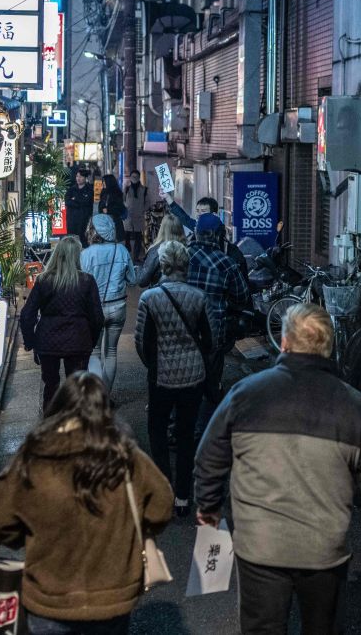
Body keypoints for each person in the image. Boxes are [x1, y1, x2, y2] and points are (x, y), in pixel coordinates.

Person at [193, 304, 361, 635]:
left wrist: (208, 507)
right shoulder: (354, 406)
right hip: (323, 549)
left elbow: (209, 457)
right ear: (328, 348)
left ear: (284, 343)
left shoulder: (246, 394)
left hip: (259, 544)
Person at [0, 372, 174, 635]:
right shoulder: (127, 456)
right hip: (112, 598)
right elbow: (161, 507)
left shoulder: (33, 456)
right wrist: (131, 530)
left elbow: (1, 521)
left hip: (48, 598)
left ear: (58, 408)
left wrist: (26, 539)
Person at [134, 240, 212, 518]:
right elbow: (208, 339)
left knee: (157, 430)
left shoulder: (150, 298)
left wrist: (153, 365)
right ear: (185, 265)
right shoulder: (198, 297)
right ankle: (183, 496)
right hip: (193, 376)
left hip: (162, 376)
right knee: (186, 434)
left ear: (163, 266)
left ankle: (164, 488)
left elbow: (142, 342)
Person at [18, 237, 105, 408]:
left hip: (48, 341)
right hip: (78, 340)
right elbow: (97, 318)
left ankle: (51, 424)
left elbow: (27, 314)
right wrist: (91, 340)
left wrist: (31, 342)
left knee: (51, 387)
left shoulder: (44, 280)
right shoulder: (87, 281)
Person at [187, 213, 250, 418]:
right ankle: (207, 430)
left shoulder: (182, 256)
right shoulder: (226, 263)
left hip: (185, 329)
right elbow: (242, 296)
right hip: (214, 331)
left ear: (196, 234)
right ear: (217, 235)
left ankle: (180, 428)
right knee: (212, 383)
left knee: (185, 381)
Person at [80, 214, 138, 397]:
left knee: (94, 352)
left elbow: (81, 284)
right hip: (118, 306)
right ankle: (106, 395)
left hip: (95, 309)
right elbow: (132, 280)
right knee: (111, 352)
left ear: (93, 231)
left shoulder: (86, 254)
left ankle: (97, 399)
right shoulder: (121, 250)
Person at [163, 193, 250, 280]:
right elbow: (184, 217)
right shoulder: (196, 227)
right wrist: (168, 198)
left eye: (203, 212)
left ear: (214, 215)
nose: (199, 215)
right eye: (197, 211)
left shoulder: (230, 253)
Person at [137, 214, 186, 288]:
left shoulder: (156, 251)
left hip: (160, 293)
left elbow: (142, 281)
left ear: (162, 229)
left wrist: (138, 269)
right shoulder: (187, 249)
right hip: (184, 294)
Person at [122, 170, 149, 260]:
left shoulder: (144, 189)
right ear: (130, 178)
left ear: (139, 177)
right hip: (128, 216)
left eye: (136, 177)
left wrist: (142, 210)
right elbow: (123, 200)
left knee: (138, 238)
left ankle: (136, 257)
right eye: (132, 176)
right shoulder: (126, 188)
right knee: (127, 237)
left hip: (139, 217)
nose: (134, 178)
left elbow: (148, 202)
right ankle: (127, 256)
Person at [65, 169, 95, 245]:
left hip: (84, 219)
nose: (78, 178)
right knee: (72, 241)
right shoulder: (71, 189)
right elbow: (67, 202)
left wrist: (74, 200)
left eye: (81, 176)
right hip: (72, 219)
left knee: (83, 241)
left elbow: (87, 202)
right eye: (77, 176)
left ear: (85, 178)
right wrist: (79, 201)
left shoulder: (89, 190)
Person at [98, 174, 127, 245]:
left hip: (115, 222)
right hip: (105, 222)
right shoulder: (103, 192)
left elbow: (120, 208)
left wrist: (108, 210)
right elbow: (100, 206)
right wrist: (102, 209)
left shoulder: (117, 193)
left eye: (104, 181)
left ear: (109, 182)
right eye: (103, 181)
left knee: (115, 242)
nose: (103, 183)